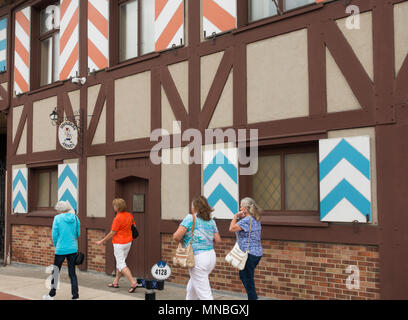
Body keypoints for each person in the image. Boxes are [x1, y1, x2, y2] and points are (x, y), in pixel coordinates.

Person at [173, 196, 222, 300]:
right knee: (192, 288)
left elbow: (176, 236)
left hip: (198, 258)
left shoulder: (190, 218)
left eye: (192, 206)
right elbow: (218, 240)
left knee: (205, 295)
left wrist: (186, 240)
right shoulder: (211, 221)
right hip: (211, 256)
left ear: (195, 207)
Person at [96, 198, 141, 293]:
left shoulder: (117, 218)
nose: (113, 207)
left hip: (119, 243)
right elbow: (134, 227)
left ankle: (133, 283)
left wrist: (102, 241)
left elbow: (112, 232)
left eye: (114, 206)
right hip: (128, 242)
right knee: (120, 263)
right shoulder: (129, 215)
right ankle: (115, 282)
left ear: (117, 207)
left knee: (121, 264)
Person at [43, 201, 80, 300]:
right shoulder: (75, 218)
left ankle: (51, 295)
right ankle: (75, 296)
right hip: (72, 248)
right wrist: (72, 239)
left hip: (61, 249)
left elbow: (54, 234)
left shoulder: (57, 218)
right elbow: (78, 233)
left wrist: (56, 244)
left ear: (60, 209)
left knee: (56, 271)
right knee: (72, 273)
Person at [229, 197, 263, 300]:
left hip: (249, 254)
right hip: (256, 253)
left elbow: (231, 228)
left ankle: (253, 298)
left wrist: (235, 216)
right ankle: (253, 297)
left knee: (247, 278)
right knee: (245, 276)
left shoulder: (247, 220)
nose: (239, 209)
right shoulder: (255, 219)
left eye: (240, 207)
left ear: (245, 208)